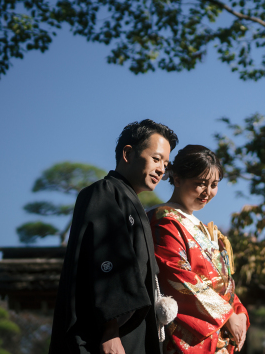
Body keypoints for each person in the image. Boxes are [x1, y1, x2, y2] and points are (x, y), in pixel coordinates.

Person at [49, 119, 179, 354]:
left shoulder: (132, 202)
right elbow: (105, 261)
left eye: (166, 163)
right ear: (128, 153)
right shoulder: (103, 192)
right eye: (156, 159)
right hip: (107, 335)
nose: (162, 169)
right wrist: (110, 330)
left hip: (133, 332)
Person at [148, 145, 249, 354]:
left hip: (220, 334)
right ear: (177, 179)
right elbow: (177, 274)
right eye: (200, 184)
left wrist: (238, 314)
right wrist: (227, 315)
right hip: (190, 335)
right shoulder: (165, 220)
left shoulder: (206, 229)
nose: (208, 192)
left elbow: (225, 283)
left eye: (214, 184)